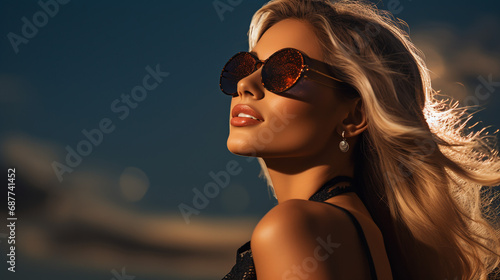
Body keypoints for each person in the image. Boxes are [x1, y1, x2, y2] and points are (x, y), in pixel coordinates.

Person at [218, 0, 500, 279]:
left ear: (353, 117)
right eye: (244, 67)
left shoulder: (292, 229)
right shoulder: (354, 231)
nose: (245, 85)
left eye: (284, 71)